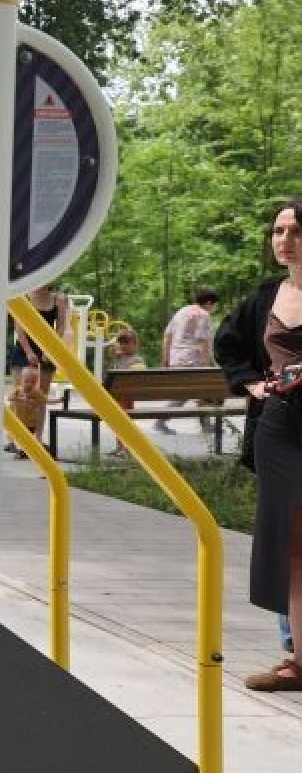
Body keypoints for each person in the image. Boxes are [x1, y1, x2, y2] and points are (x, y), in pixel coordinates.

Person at [215, 212, 296, 683]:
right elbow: (228, 345)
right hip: (279, 428)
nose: (285, 239)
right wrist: (252, 383)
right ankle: (294, 653)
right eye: (278, 231)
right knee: (287, 537)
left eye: (297, 231)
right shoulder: (266, 295)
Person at [4, 282, 67, 459]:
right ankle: (15, 439)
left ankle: (37, 438)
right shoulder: (23, 296)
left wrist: (49, 349)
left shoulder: (58, 299)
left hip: (47, 349)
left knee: (40, 397)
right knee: (19, 395)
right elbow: (19, 327)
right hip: (24, 349)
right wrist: (29, 352)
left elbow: (60, 327)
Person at [160, 286, 223, 434]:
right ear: (209, 303)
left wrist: (166, 360)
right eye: (214, 305)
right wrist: (208, 365)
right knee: (191, 391)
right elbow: (202, 342)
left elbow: (167, 336)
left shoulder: (181, 312)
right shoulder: (203, 315)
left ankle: (206, 425)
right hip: (193, 362)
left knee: (200, 391)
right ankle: (160, 420)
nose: (214, 308)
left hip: (176, 360)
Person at [105, 327, 145, 459]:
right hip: (118, 395)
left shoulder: (137, 360)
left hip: (127, 396)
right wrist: (114, 346)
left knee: (124, 422)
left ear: (135, 344)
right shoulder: (120, 357)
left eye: (127, 343)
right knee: (118, 422)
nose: (124, 346)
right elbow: (111, 352)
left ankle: (126, 447)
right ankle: (120, 447)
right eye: (122, 343)